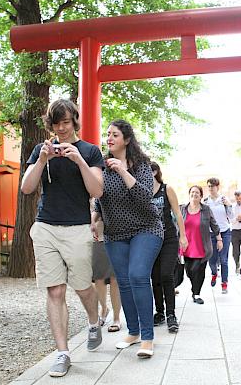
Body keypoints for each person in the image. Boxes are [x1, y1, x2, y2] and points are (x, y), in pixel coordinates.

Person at [21, 99, 104, 378]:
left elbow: (97, 191)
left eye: (66, 122)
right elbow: (27, 187)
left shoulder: (91, 151)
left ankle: (94, 321)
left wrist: (78, 159)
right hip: (46, 227)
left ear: (75, 120)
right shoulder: (40, 150)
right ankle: (63, 353)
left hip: (78, 227)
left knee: (82, 287)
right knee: (55, 290)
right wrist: (43, 159)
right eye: (56, 124)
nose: (61, 128)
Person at [93, 119, 163, 359]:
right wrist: (96, 216)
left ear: (127, 139)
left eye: (114, 134)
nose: (109, 138)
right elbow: (99, 196)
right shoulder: (100, 165)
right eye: (108, 134)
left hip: (146, 228)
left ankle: (147, 337)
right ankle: (132, 332)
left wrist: (122, 170)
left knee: (138, 276)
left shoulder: (141, 164)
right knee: (123, 281)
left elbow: (145, 196)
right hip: (115, 232)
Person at [150, 162, 188, 333]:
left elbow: (177, 212)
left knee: (166, 274)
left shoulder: (166, 189)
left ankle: (171, 314)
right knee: (155, 277)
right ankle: (159, 312)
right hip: (150, 239)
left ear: (156, 172)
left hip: (169, 238)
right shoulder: (140, 190)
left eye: (149, 170)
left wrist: (183, 235)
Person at [180, 185, 221, 304]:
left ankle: (196, 293)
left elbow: (214, 225)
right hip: (186, 246)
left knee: (198, 270)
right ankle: (194, 289)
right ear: (189, 194)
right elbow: (175, 223)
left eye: (197, 192)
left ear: (201, 196)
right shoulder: (182, 208)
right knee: (189, 271)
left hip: (202, 246)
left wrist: (219, 240)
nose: (194, 194)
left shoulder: (206, 209)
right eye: (192, 192)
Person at [90, 216, 122, 333]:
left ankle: (116, 318)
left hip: (118, 234)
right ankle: (103, 309)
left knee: (115, 279)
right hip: (97, 235)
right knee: (99, 278)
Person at [204, 177, 233, 294]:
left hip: (225, 232)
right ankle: (214, 273)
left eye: (213, 186)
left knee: (224, 259)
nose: (211, 188)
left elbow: (231, 216)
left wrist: (229, 205)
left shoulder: (224, 200)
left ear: (218, 187)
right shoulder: (205, 202)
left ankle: (224, 283)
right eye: (209, 186)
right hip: (211, 233)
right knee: (212, 259)